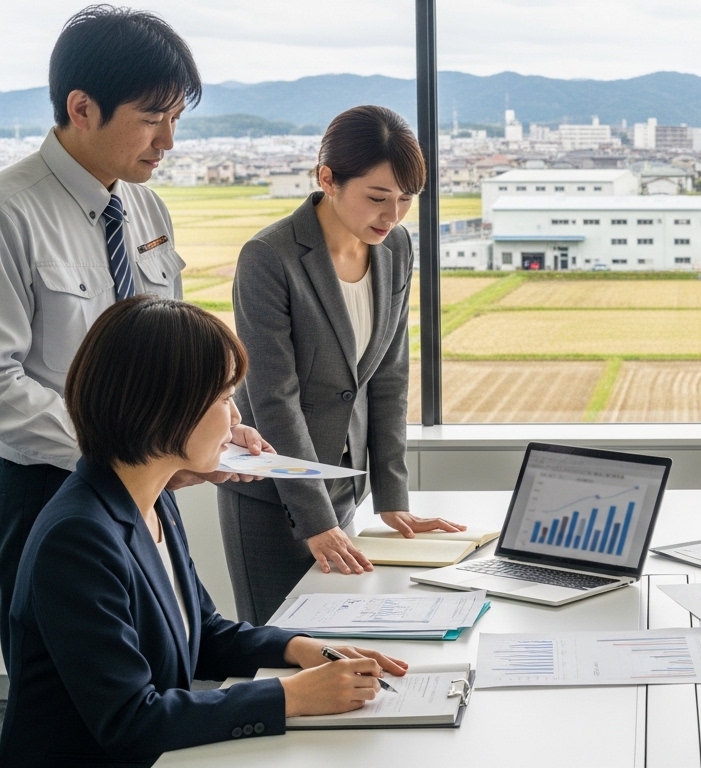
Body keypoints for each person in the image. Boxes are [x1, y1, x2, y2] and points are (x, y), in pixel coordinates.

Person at [0, 297, 408, 766]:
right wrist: (290, 696)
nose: (235, 420)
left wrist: (303, 649)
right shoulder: (78, 539)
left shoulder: (153, 501)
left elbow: (204, 632)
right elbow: (130, 720)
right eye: (224, 399)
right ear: (163, 407)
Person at [0, 5, 267, 665]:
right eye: (152, 119)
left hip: (148, 481)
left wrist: (213, 421)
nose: (167, 141)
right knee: (86, 698)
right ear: (82, 108)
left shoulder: (145, 206)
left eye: (176, 118)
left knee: (177, 654)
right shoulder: (11, 213)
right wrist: (132, 449)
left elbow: (170, 353)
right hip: (50, 488)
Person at [219, 105, 462, 625]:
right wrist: (315, 519)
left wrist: (392, 498)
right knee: (276, 651)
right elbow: (274, 397)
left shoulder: (395, 248)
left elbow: (389, 377)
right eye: (377, 197)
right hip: (276, 498)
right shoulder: (269, 257)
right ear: (327, 179)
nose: (393, 215)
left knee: (342, 646)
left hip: (345, 490)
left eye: (406, 198)